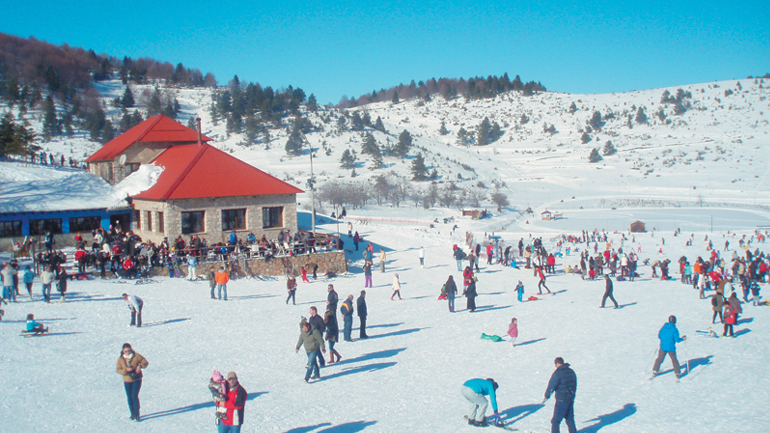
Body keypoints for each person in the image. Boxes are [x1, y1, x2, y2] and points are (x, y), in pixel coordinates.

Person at [543, 357, 578, 433]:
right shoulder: (571, 371)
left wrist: (546, 396)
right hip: (570, 398)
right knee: (569, 418)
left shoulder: (557, 373)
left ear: (557, 364)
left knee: (555, 421)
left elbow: (551, 386)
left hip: (561, 400)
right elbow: (574, 384)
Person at [116, 343, 148, 421]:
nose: (127, 352)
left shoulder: (136, 356)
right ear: (123, 351)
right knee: (129, 397)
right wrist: (125, 371)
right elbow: (118, 369)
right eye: (125, 351)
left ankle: (137, 414)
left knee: (134, 396)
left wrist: (140, 366)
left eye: (129, 351)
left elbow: (145, 362)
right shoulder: (121, 359)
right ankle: (132, 414)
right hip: (127, 380)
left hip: (136, 379)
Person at [651, 315, 686, 380]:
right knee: (674, 360)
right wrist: (683, 339)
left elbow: (659, 336)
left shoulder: (664, 327)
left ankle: (655, 370)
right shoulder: (674, 329)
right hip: (671, 348)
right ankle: (677, 373)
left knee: (659, 359)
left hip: (662, 347)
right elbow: (677, 340)